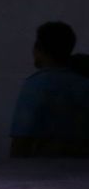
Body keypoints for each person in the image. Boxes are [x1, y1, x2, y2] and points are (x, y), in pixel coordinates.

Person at [10, 22, 89, 157]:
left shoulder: (35, 86)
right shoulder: (84, 84)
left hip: (43, 171)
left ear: (39, 49)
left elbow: (21, 139)